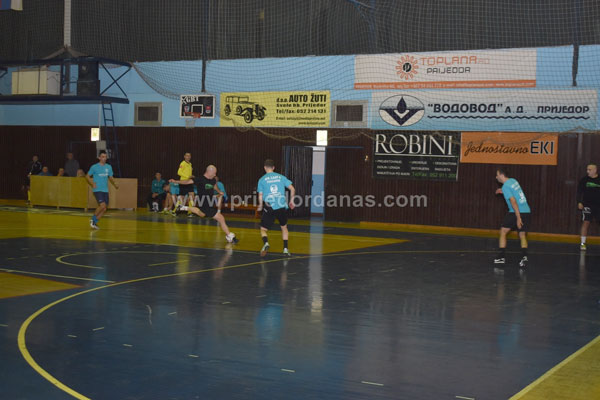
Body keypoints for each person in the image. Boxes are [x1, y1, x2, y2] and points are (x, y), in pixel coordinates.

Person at [170, 165, 239, 244]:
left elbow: (215, 186)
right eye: (214, 173)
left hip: (209, 203)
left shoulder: (213, 180)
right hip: (204, 204)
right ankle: (229, 236)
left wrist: (219, 192)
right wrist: (176, 181)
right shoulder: (200, 179)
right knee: (221, 218)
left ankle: (183, 207)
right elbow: (187, 182)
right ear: (209, 172)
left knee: (201, 214)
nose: (215, 175)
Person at [257, 159, 295, 257]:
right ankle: (285, 249)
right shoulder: (281, 177)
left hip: (270, 206)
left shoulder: (262, 179)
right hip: (281, 206)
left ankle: (266, 243)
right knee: (284, 227)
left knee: (263, 229)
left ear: (265, 168)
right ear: (273, 168)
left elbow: (260, 195)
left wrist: (260, 205)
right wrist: (291, 201)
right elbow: (292, 188)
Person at [494, 168, 530, 268]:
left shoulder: (506, 186)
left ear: (502, 175)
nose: (496, 177)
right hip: (526, 211)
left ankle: (501, 257)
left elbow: (513, 201)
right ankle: (524, 257)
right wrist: (503, 191)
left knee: (503, 231)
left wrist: (518, 217)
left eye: (497, 175)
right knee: (522, 234)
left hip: (516, 212)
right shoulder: (513, 181)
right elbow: (515, 193)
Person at [86, 150, 119, 229]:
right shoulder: (94, 167)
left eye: (105, 157)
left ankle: (94, 222)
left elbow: (110, 177)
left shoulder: (109, 167)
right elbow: (87, 176)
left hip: (105, 190)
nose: (104, 158)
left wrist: (115, 183)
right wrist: (92, 183)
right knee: (102, 205)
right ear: (99, 158)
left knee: (104, 209)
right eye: (103, 157)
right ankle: (92, 219)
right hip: (97, 189)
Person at [576, 163, 600, 251]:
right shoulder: (584, 180)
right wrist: (579, 202)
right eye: (587, 170)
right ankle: (583, 243)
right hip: (587, 205)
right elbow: (579, 191)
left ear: (595, 170)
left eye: (589, 170)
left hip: (598, 205)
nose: (587, 171)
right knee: (586, 222)